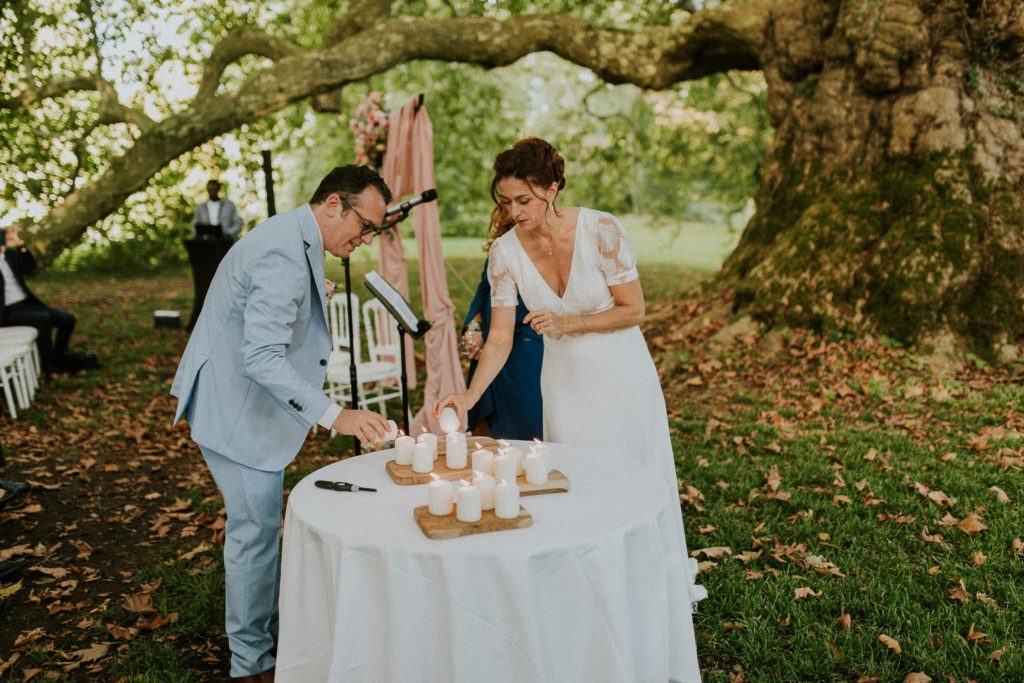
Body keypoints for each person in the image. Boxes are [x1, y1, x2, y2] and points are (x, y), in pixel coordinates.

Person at [436, 138, 704, 676]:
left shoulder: (601, 230)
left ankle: (645, 589)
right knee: (580, 485)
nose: (515, 212)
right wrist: (467, 396)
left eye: (525, 200)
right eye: (507, 201)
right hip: (565, 385)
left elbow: (634, 310)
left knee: (634, 478)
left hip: (621, 374)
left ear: (552, 189)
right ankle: (592, 597)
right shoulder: (504, 253)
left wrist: (568, 324)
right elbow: (500, 338)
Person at [171, 165, 393, 683]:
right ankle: (251, 664)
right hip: (235, 406)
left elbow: (271, 304)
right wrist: (337, 414)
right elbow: (263, 358)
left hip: (240, 397)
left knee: (261, 528)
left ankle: (267, 632)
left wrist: (313, 293)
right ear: (334, 204)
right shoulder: (283, 253)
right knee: (254, 533)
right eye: (366, 224)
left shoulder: (295, 237)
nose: (367, 237)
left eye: (375, 231)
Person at [460, 207, 543, 439]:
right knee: (483, 431)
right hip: (489, 349)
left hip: (525, 353)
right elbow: (482, 292)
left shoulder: (541, 250)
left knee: (523, 433)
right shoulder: (499, 250)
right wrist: (474, 327)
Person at [0, 227, 97, 375]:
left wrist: (21, 247)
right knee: (43, 319)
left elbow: (30, 268)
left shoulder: (10, 255)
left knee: (67, 319)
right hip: (7, 312)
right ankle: (49, 365)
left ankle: (60, 356)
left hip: (26, 304)